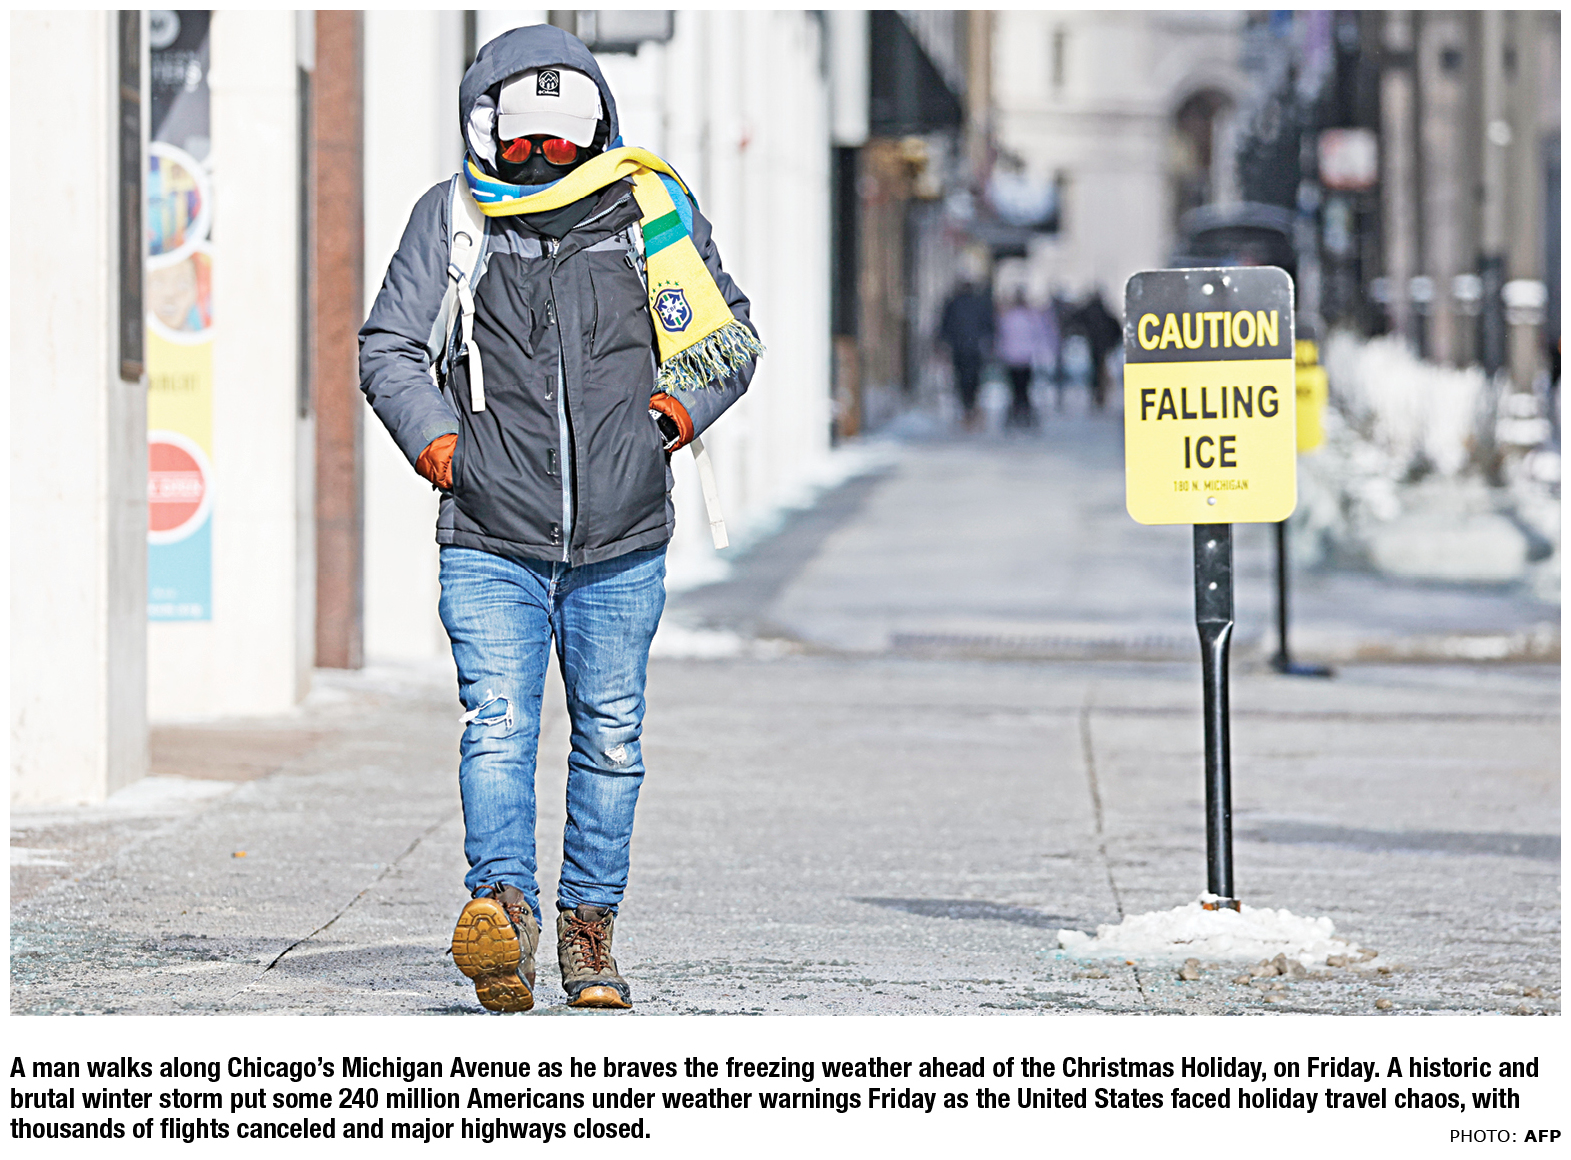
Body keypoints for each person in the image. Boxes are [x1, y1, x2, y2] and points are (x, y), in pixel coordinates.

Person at [358, 24, 761, 1013]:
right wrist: (443, 448)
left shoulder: (649, 210)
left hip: (621, 538)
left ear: (595, 130)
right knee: (497, 724)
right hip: (489, 534)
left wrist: (669, 417)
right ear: (485, 130)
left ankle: (588, 929)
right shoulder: (453, 218)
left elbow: (729, 338)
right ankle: (503, 912)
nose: (542, 156)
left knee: (611, 737)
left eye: (561, 138)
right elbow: (390, 347)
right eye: (523, 138)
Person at [994, 289, 1057, 428]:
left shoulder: (1008, 317)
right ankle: (1025, 416)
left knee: (1015, 389)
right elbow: (1040, 335)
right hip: (1026, 358)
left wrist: (1000, 352)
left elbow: (1001, 336)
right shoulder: (1031, 317)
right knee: (1024, 389)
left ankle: (1016, 415)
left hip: (1011, 358)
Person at [937, 279, 995, 430]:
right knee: (973, 379)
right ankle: (971, 407)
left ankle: (967, 408)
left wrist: (942, 342)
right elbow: (988, 325)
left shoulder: (953, 303)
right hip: (974, 348)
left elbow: (944, 325)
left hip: (960, 347)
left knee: (962, 379)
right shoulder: (979, 303)